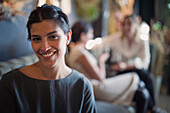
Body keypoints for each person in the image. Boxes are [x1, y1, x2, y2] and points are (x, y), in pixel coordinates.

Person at [0, 4, 96, 113]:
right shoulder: (10, 84)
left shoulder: (82, 86)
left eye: (53, 37)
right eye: (36, 39)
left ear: (68, 37)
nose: (45, 47)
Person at [67, 21, 153, 113]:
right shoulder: (80, 53)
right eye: (90, 33)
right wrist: (101, 60)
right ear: (83, 36)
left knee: (141, 91)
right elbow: (100, 77)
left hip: (93, 85)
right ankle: (151, 108)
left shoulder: (76, 51)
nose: (91, 36)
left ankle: (150, 107)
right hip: (96, 87)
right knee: (134, 77)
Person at [101, 15, 167, 113]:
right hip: (121, 72)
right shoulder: (117, 38)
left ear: (135, 25)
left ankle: (151, 107)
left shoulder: (142, 40)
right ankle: (152, 108)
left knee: (143, 74)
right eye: (124, 24)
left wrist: (126, 66)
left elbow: (145, 62)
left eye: (129, 24)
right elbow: (102, 42)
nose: (126, 27)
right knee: (144, 77)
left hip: (136, 71)